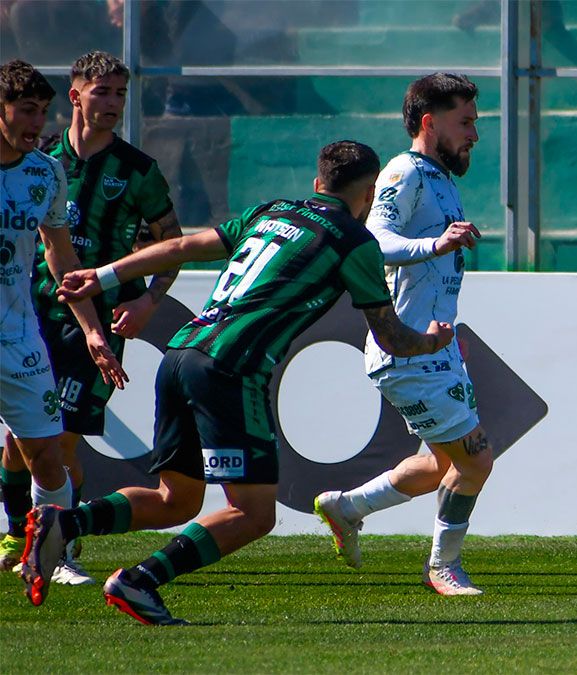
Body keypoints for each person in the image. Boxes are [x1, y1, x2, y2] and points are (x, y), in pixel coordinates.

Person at [21, 140, 455, 624]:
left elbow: (182, 246)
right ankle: (139, 580)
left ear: (318, 183)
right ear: (370, 193)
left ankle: (64, 521)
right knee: (254, 514)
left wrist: (102, 276)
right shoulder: (354, 241)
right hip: (230, 370)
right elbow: (391, 337)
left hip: (181, 354)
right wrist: (432, 341)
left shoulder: (271, 211)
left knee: (176, 500)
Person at [0, 51, 181, 587]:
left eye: (121, 93)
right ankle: (19, 533)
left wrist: (147, 301)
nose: (114, 103)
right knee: (18, 446)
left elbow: (170, 245)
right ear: (76, 96)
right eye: (103, 91)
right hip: (35, 310)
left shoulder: (134, 171)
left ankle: (59, 546)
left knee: (60, 442)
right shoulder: (45, 158)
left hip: (87, 319)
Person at [313, 73, 494, 596]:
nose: (474, 134)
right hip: (408, 349)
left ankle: (347, 507)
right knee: (476, 459)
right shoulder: (405, 171)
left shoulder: (441, 178)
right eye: (465, 122)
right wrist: (435, 245)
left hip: (434, 349)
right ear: (430, 122)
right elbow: (373, 238)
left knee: (440, 463)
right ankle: (443, 567)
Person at [0, 59, 127, 598]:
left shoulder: (47, 173)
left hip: (20, 338)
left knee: (49, 457)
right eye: (26, 110)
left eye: (42, 111)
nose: (37, 122)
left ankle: (51, 554)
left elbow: (60, 256)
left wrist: (92, 329)